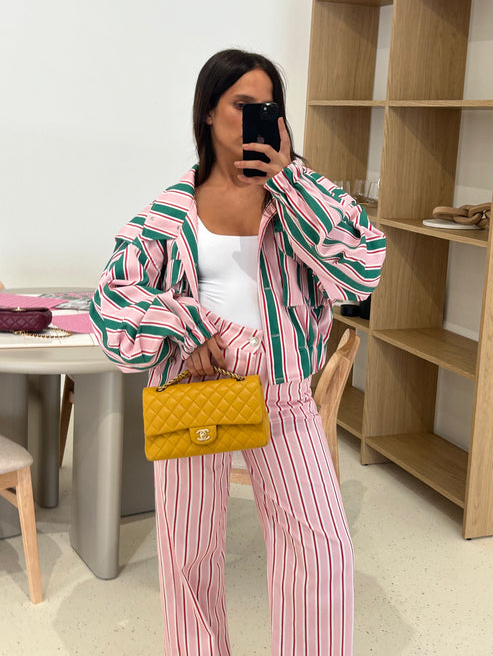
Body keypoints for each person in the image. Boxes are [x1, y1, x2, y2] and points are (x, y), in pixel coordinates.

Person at [90, 48, 386, 656]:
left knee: (321, 547)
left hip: (284, 392)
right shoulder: (171, 210)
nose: (256, 117)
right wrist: (182, 322)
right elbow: (111, 300)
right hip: (195, 389)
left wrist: (287, 180)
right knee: (189, 553)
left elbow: (359, 272)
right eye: (241, 104)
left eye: (267, 106)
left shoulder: (300, 195)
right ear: (208, 112)